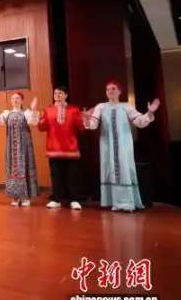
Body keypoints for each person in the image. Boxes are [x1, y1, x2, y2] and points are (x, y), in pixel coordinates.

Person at [83, 80, 159, 212]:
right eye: (108, 89)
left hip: (123, 144)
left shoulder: (126, 106)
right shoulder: (101, 107)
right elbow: (93, 125)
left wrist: (149, 113)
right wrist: (86, 118)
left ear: (119, 91)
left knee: (124, 168)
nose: (110, 91)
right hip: (107, 144)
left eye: (113, 88)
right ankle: (111, 201)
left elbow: (140, 122)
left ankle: (126, 202)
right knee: (109, 168)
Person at [38, 86, 85, 210]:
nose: (57, 95)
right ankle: (56, 199)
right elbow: (42, 128)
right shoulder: (47, 110)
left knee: (72, 175)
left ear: (66, 95)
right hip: (53, 148)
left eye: (60, 93)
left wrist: (83, 120)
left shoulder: (74, 110)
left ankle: (74, 200)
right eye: (55, 93)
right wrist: (40, 119)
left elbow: (81, 128)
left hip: (71, 148)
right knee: (56, 175)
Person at [0, 93, 39, 207]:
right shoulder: (7, 113)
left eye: (17, 98)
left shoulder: (26, 113)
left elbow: (33, 122)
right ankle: (15, 196)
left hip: (24, 146)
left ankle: (25, 196)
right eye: (13, 98)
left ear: (22, 100)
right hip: (11, 147)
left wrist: (33, 109)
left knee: (24, 167)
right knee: (13, 170)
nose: (15, 100)